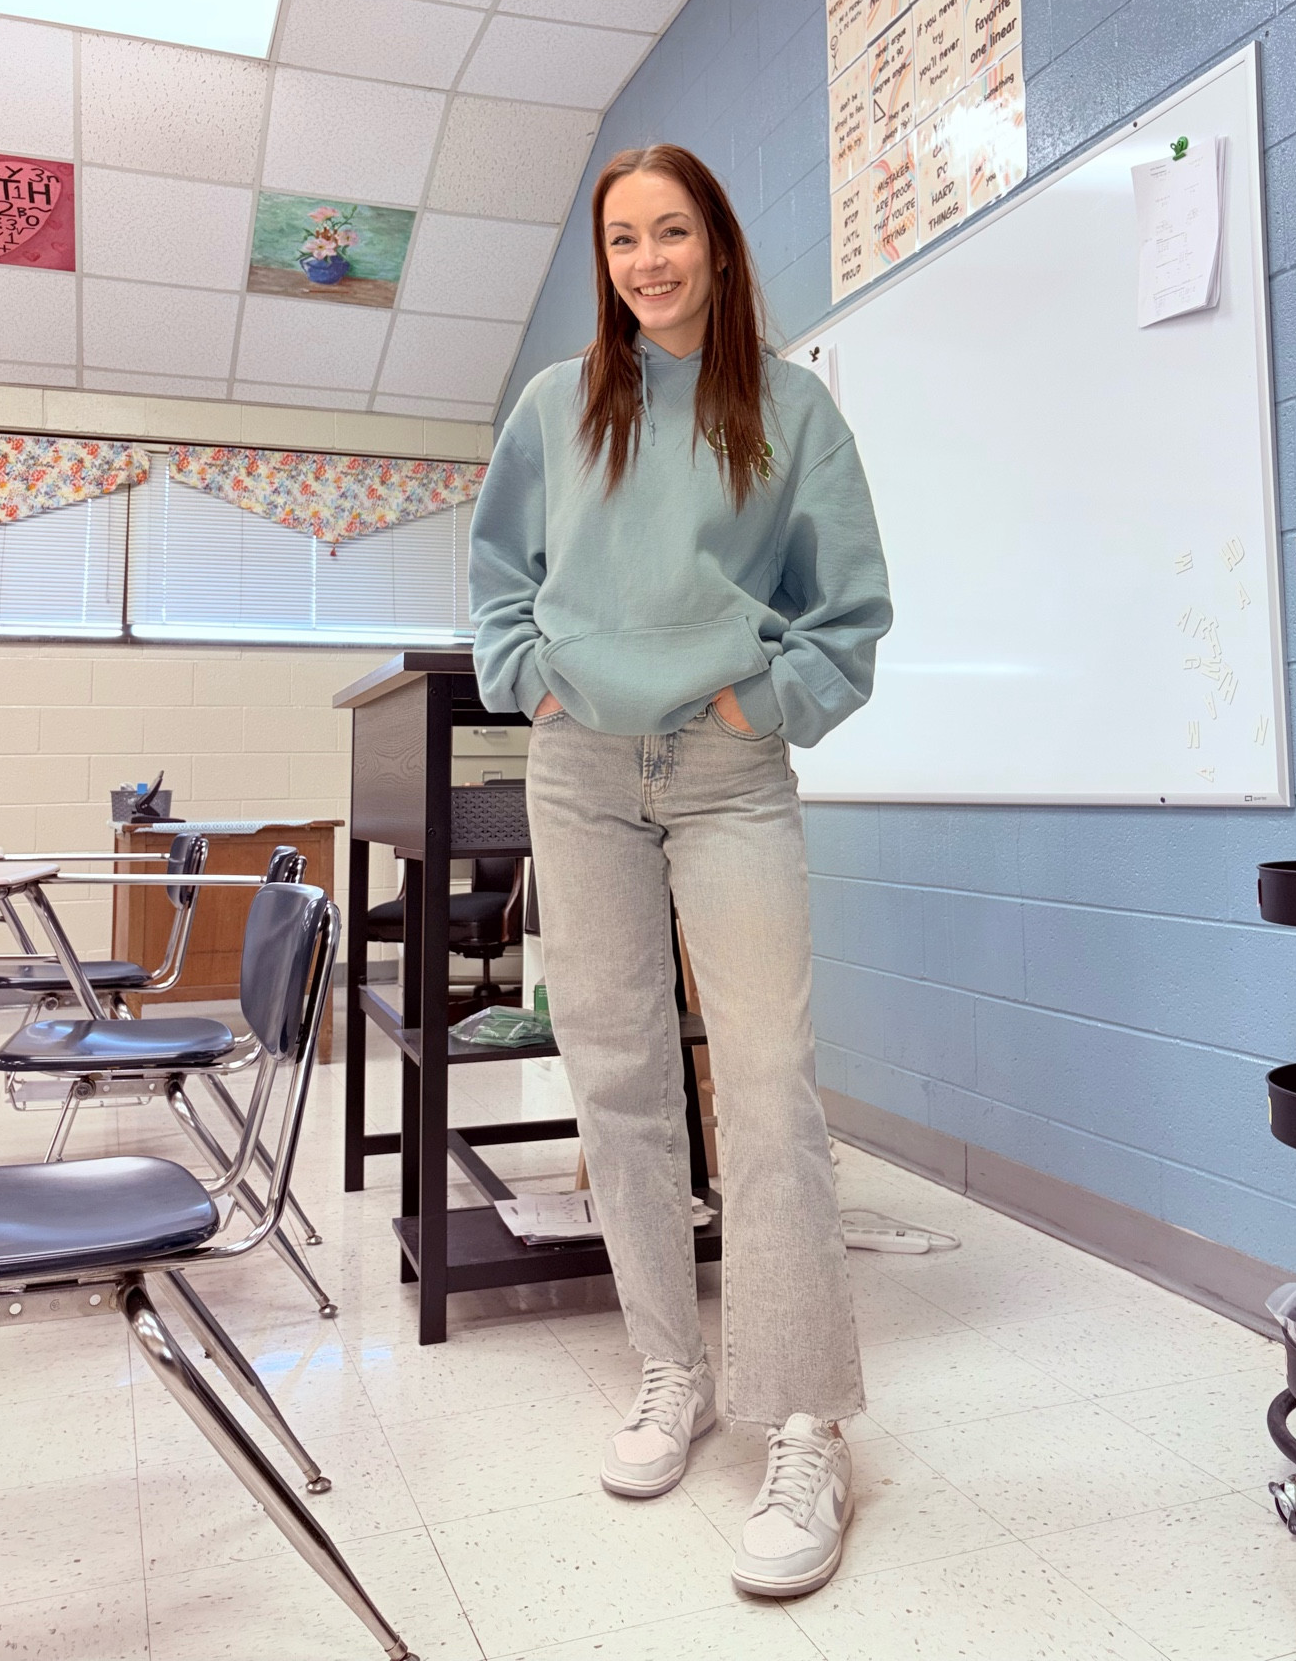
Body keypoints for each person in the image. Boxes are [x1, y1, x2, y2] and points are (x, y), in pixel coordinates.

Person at [469, 144, 891, 1599]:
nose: (647, 260)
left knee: (767, 1085)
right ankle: (670, 1369)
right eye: (623, 239)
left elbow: (847, 616)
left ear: (716, 242)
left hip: (726, 775)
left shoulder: (791, 410)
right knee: (618, 1075)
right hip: (578, 770)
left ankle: (804, 1419)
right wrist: (528, 679)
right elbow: (498, 581)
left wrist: (756, 704)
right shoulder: (553, 407)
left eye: (671, 232)